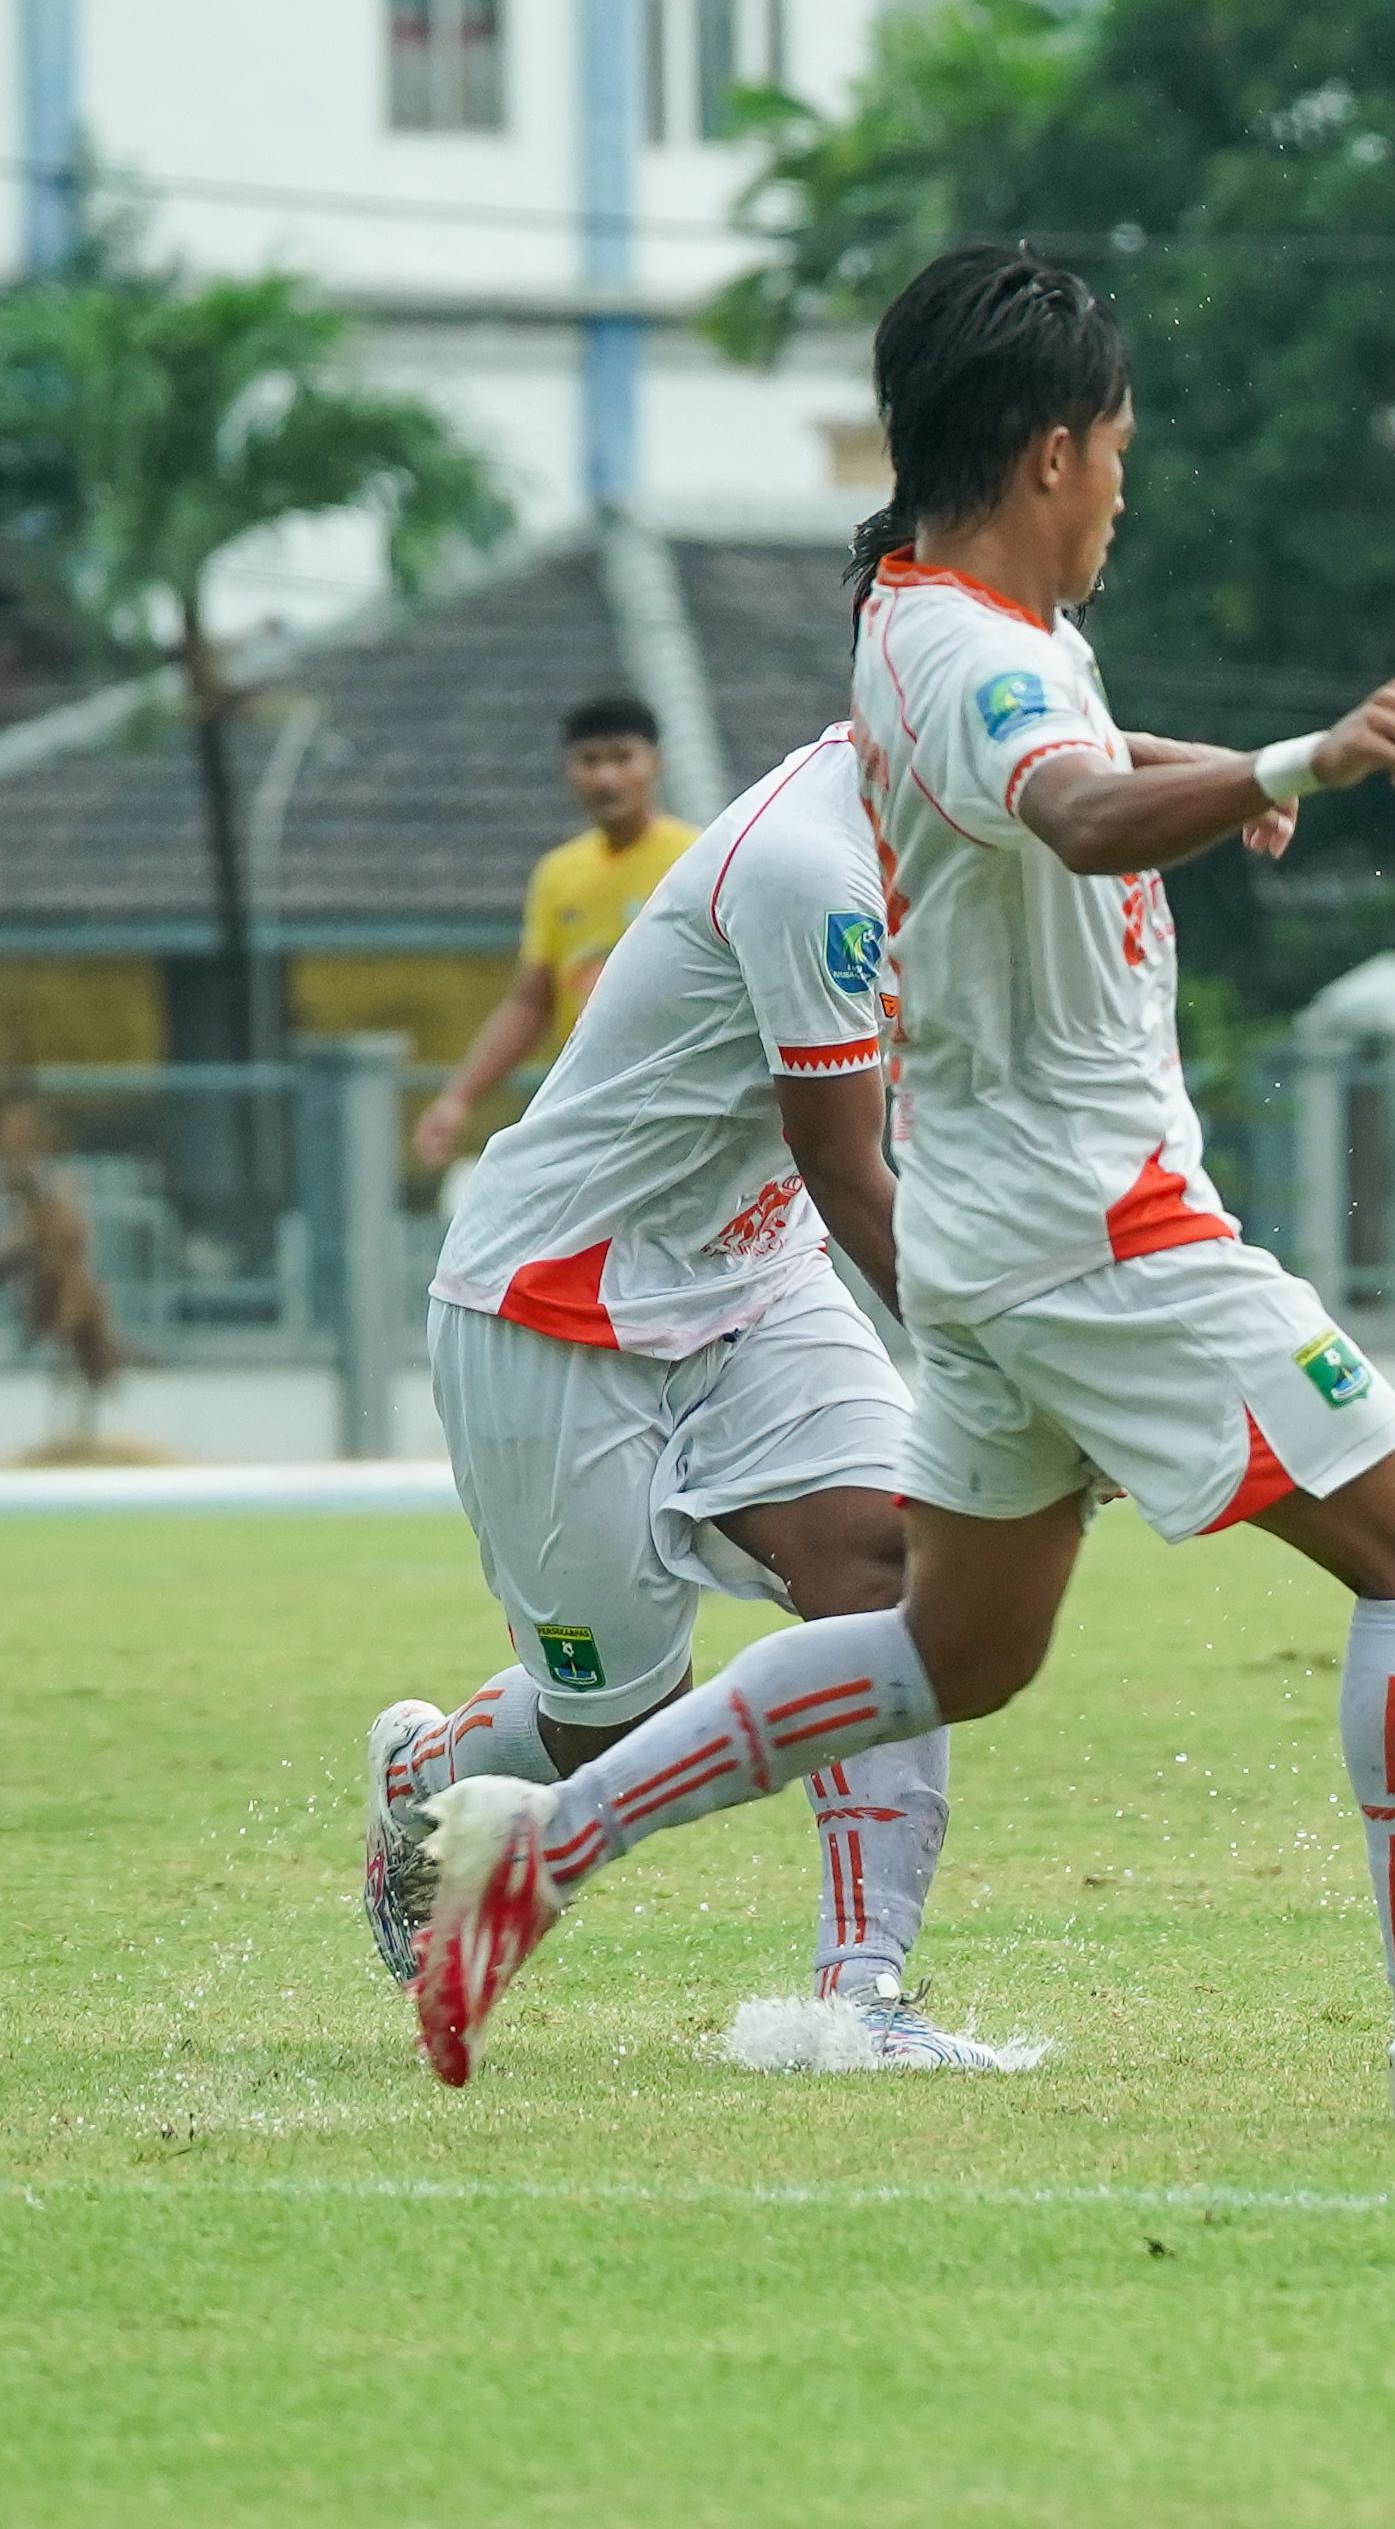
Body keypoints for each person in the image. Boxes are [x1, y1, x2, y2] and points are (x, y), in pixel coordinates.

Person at [406, 245, 1395, 2124]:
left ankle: (550, 1842)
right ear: (1048, 455)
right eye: (1117, 451)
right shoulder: (979, 648)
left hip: (997, 1242)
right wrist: (1295, 758)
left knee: (956, 1651)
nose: (1125, 489)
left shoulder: (925, 622)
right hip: (1102, 1226)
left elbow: (1062, 771)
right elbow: (1075, 809)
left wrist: (1199, 770)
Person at [369, 723, 1021, 2065]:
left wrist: (1270, 776)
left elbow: (1096, 757)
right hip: (555, 1297)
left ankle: (861, 1999)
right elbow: (849, 1167)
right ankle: (421, 1784)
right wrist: (1003, 1380)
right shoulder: (805, 864)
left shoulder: (997, 732)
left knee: (892, 1570)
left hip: (757, 1269)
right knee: (620, 1717)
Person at [414, 695, 699, 1169]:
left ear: (656, 764)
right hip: (588, 1106)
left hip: (680, 1103)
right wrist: (458, 1099)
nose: (605, 777)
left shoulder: (698, 858)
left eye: (621, 758)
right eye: (589, 761)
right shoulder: (558, 873)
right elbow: (531, 1001)